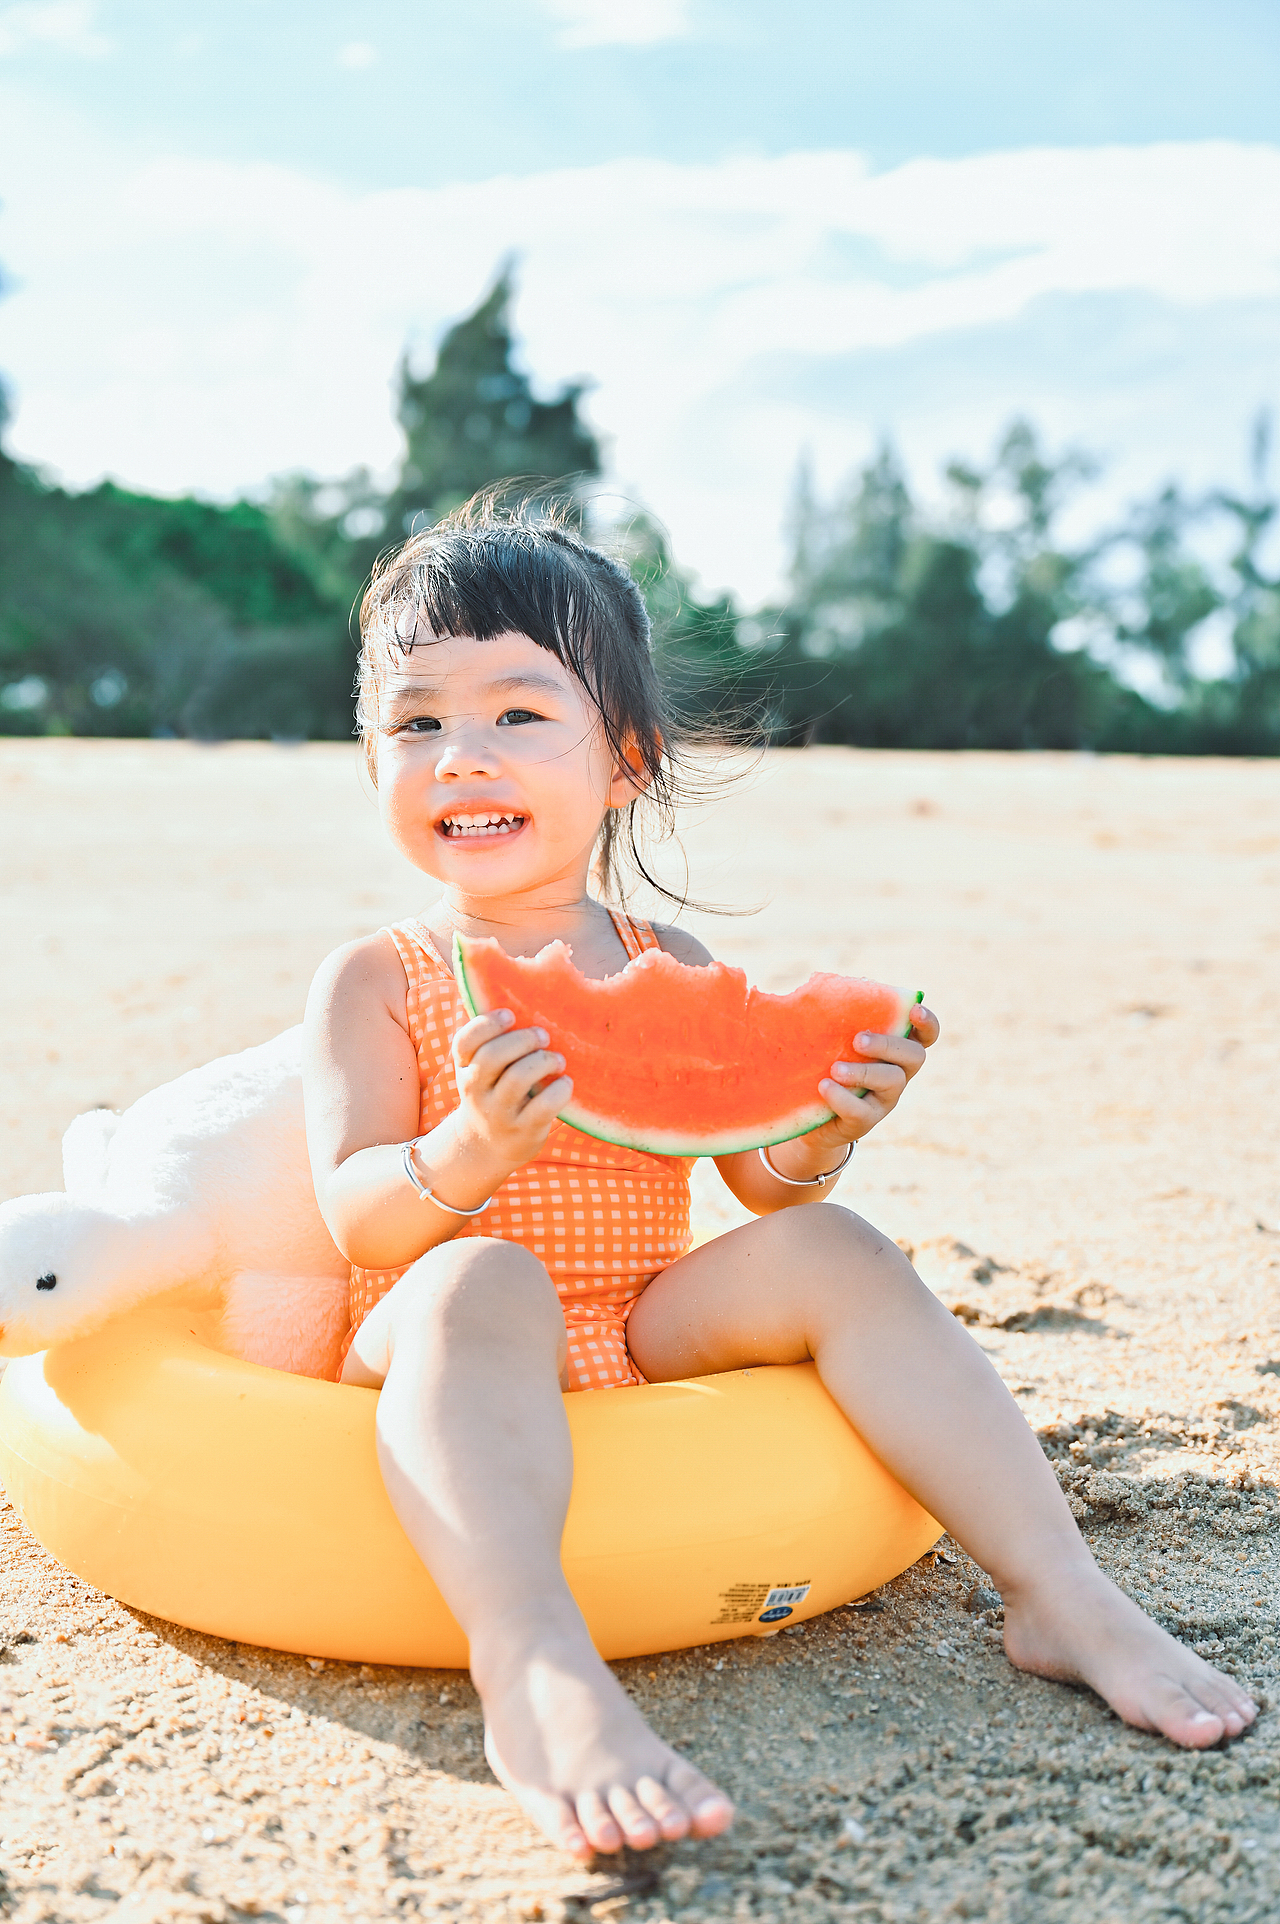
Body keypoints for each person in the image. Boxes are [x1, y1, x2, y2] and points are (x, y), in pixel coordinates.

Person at [302, 500, 1255, 1864]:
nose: (463, 757)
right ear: (373, 756)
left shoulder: (668, 963)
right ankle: (534, 1668)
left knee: (842, 1251)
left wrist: (817, 1137)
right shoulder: (376, 978)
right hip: (440, 1332)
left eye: (519, 715)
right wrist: (469, 1153)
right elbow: (353, 1211)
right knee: (482, 1273)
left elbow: (758, 1188)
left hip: (634, 1322)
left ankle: (1060, 1592)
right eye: (417, 723)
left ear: (625, 761)